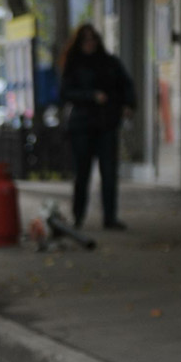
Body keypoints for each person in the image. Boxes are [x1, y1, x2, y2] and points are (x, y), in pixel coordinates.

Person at [60, 23, 137, 230]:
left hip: (106, 124)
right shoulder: (73, 64)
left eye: (93, 39)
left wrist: (128, 104)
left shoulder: (109, 63)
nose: (90, 44)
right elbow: (65, 92)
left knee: (109, 173)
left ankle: (110, 217)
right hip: (82, 126)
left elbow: (126, 84)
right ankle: (78, 215)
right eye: (85, 40)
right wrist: (90, 96)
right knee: (82, 173)